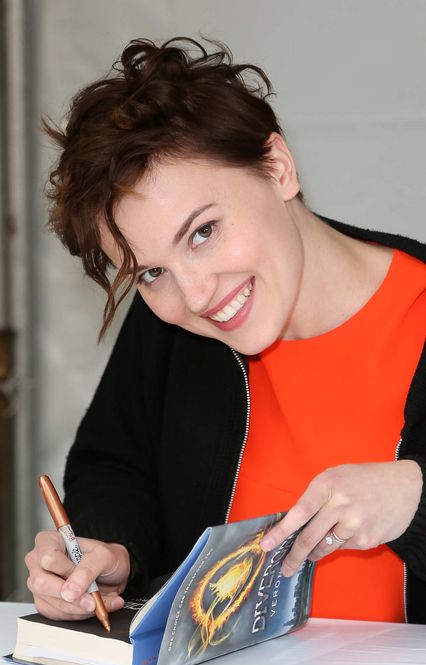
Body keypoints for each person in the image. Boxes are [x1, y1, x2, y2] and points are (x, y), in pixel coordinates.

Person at [25, 37, 426, 625]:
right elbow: (115, 463)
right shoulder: (170, 325)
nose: (196, 294)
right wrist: (113, 552)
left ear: (278, 167)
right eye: (151, 272)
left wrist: (416, 498)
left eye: (203, 232)